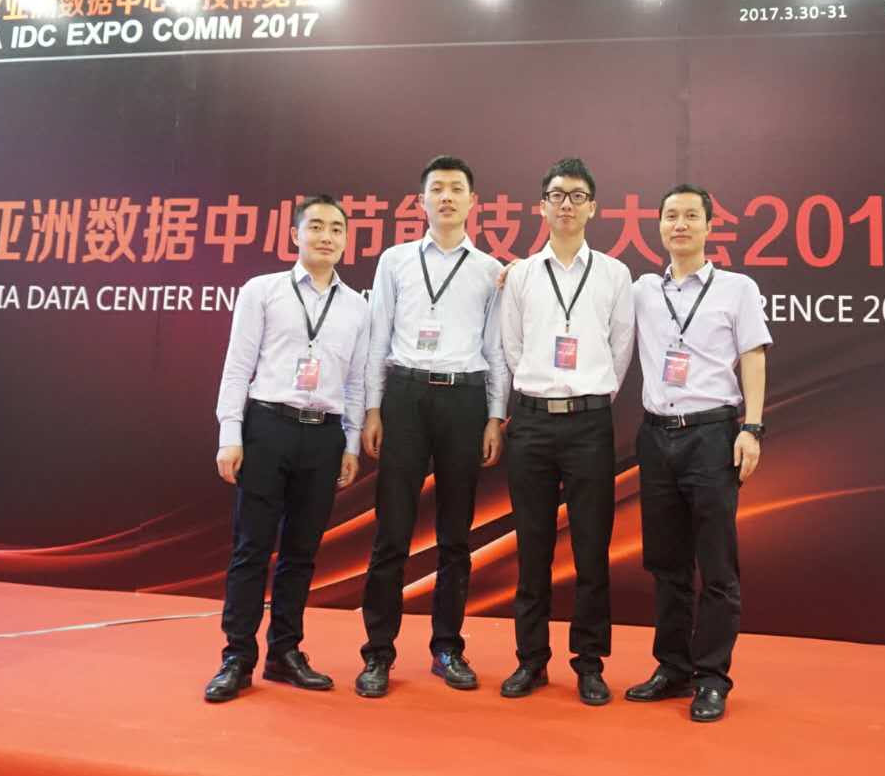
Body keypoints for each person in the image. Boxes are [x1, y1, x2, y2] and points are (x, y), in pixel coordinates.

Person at [204, 195, 369, 703]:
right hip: (267, 427)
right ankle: (237, 657)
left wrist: (351, 443)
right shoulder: (263, 291)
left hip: (323, 435)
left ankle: (284, 652)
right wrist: (230, 434)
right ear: (295, 235)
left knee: (301, 552)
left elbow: (356, 382)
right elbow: (238, 367)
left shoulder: (357, 306)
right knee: (251, 548)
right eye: (315, 226)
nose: (326, 236)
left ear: (346, 240)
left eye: (336, 229)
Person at [355, 156, 509, 697]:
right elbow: (377, 337)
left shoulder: (490, 270)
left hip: (464, 399)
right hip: (405, 395)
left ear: (473, 202)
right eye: (436, 189)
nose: (446, 197)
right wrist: (373, 409)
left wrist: (495, 415)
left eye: (456, 189)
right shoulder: (395, 261)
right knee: (392, 533)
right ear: (420, 201)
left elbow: (496, 348)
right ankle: (378, 653)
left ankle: (447, 648)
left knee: (455, 536)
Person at [622, 184, 771, 722]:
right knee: (667, 563)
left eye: (690, 216)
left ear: (710, 226)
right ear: (658, 226)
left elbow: (753, 356)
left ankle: (712, 677)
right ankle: (673, 667)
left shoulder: (737, 289)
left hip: (712, 436)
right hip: (656, 436)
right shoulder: (641, 290)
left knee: (716, 564)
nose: (679, 224)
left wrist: (752, 428)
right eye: (670, 216)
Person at [497, 157, 635, 706]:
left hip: (589, 424)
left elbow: (620, 349)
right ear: (542, 207)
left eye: (577, 196)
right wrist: (542, 390)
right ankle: (530, 660)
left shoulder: (615, 275)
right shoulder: (522, 275)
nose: (567, 205)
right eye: (557, 195)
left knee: (591, 548)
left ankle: (589, 663)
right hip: (531, 422)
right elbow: (512, 347)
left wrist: (587, 395)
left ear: (593, 208)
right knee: (531, 548)